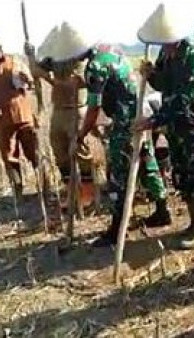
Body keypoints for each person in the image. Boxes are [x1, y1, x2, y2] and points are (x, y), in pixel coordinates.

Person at [75, 44, 171, 247]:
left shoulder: (95, 67)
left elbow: (94, 107)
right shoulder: (114, 53)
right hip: (139, 113)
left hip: (124, 121)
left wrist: (81, 134)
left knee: (118, 172)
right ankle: (162, 211)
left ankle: (117, 228)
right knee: (147, 161)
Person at [137, 33, 194, 249]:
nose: (166, 47)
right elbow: (163, 85)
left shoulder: (193, 55)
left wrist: (154, 120)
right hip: (175, 127)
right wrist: (151, 74)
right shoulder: (166, 53)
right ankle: (193, 223)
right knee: (183, 176)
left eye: (168, 43)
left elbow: (185, 97)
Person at [27, 23, 107, 207]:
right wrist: (31, 57)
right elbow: (35, 71)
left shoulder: (82, 60)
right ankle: (72, 194)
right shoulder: (54, 58)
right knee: (60, 153)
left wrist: (49, 78)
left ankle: (87, 196)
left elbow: (74, 83)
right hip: (59, 110)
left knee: (81, 152)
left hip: (76, 110)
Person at [0, 43, 38, 199]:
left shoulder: (15, 62)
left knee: (33, 152)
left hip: (23, 114)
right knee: (9, 155)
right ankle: (18, 191)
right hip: (4, 118)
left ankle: (44, 185)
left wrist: (27, 77)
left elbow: (30, 82)